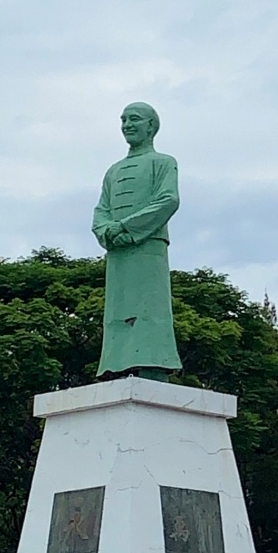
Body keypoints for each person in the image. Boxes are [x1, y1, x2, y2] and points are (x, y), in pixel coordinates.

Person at [92, 102, 183, 379]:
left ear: (151, 126)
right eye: (123, 120)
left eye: (134, 119)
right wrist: (106, 231)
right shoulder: (113, 171)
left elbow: (168, 200)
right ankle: (116, 366)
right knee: (118, 308)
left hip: (147, 246)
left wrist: (126, 227)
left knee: (149, 308)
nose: (127, 125)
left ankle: (153, 367)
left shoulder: (163, 162)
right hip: (117, 252)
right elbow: (101, 210)